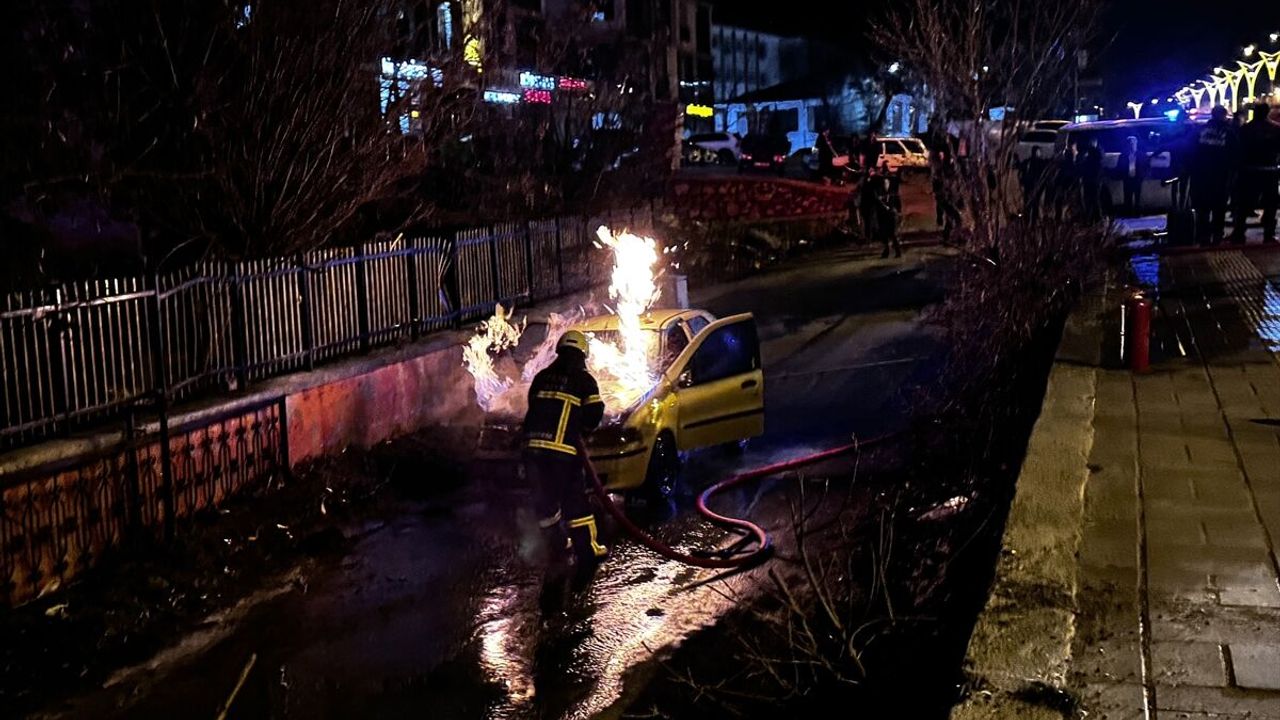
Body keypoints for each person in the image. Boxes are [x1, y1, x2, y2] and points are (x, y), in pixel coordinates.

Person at [522, 330, 607, 614]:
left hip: (533, 450)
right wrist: (582, 427)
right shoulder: (584, 380)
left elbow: (533, 407)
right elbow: (595, 414)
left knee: (545, 504)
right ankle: (587, 549)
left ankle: (556, 546)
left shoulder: (542, 376)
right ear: (583, 354)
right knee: (575, 501)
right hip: (563, 453)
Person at [1229, 102, 1280, 244]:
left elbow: (1237, 150)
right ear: (1267, 112)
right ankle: (1268, 235)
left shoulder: (1245, 129)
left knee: (1244, 204)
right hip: (1269, 171)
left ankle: (1239, 233)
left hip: (1248, 171)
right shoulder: (1275, 129)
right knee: (1270, 205)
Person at [1189, 106, 1239, 245]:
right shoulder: (1229, 133)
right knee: (1219, 209)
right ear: (1223, 116)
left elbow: (1190, 151)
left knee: (1202, 209)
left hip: (1201, 176)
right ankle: (1217, 237)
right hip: (1220, 177)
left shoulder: (1199, 131)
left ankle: (1202, 236)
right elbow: (1236, 157)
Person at [1119, 135, 1150, 216]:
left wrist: (1143, 176)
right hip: (1127, 179)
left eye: (1133, 143)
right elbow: (1119, 167)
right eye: (1130, 143)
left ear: (1136, 143)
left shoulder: (1142, 155)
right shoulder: (1123, 156)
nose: (1132, 145)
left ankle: (1137, 214)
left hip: (1138, 179)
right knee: (1127, 198)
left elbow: (1147, 166)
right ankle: (1128, 214)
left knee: (1138, 198)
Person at [1018, 146, 1050, 222]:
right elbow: (1022, 172)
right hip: (1031, 185)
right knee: (1030, 204)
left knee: (1034, 204)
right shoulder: (1030, 162)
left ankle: (1032, 222)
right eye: (1038, 152)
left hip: (1035, 186)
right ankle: (1029, 221)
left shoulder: (1039, 162)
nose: (1039, 153)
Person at [1076, 137, 1104, 222]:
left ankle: (1095, 218)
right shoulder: (1097, 154)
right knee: (1093, 200)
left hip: (1091, 181)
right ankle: (1095, 218)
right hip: (1092, 181)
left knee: (1092, 200)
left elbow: (1085, 167)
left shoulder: (1092, 154)